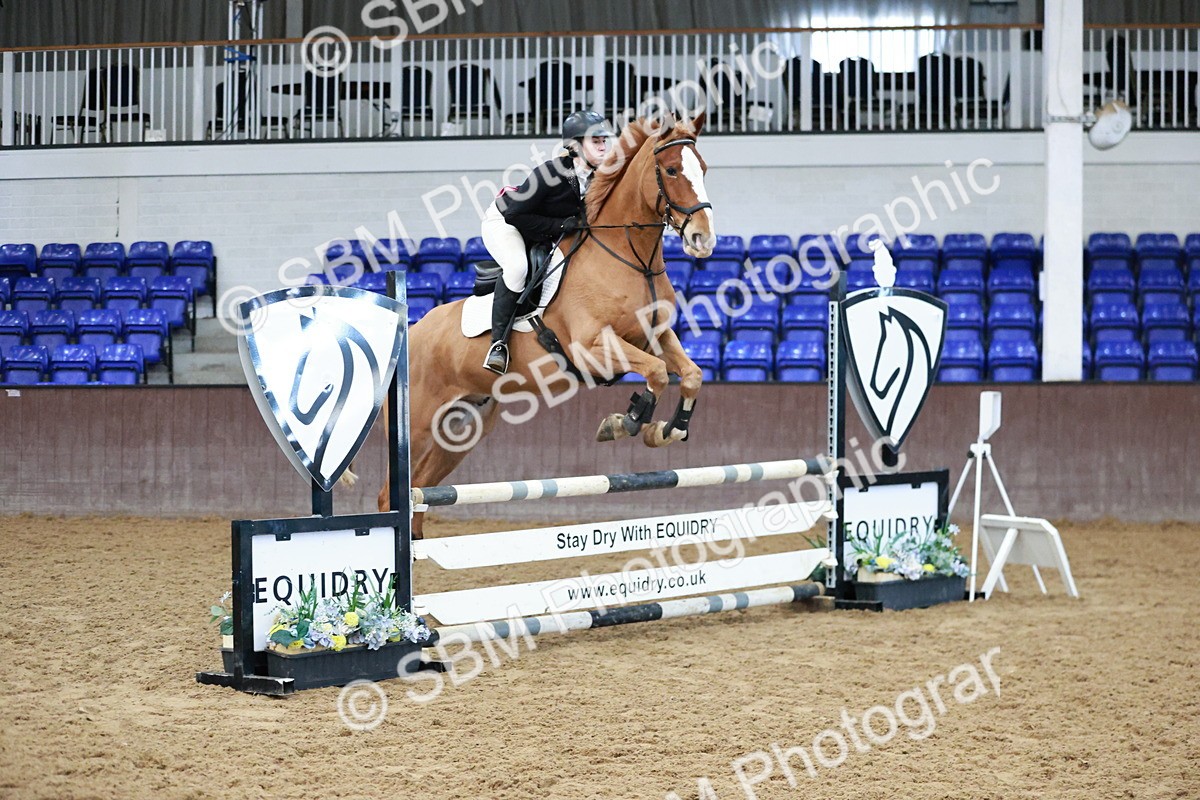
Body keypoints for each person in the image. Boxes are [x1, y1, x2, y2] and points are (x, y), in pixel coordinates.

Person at [479, 109, 612, 375]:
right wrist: (562, 225)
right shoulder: (551, 173)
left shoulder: (601, 177)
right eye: (594, 140)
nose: (602, 144)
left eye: (603, 140)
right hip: (505, 223)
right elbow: (515, 214)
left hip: (541, 229)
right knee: (517, 268)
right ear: (575, 145)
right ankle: (498, 345)